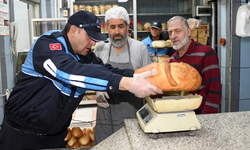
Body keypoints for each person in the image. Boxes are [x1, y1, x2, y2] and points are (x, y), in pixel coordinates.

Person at [0, 11, 163, 150]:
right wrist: (128, 84)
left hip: (55, 138)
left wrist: (138, 76)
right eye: (90, 37)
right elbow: (68, 72)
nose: (93, 43)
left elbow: (106, 70)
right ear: (73, 31)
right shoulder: (47, 45)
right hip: (20, 136)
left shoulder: (84, 56)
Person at [93, 6, 152, 145]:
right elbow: (93, 74)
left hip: (133, 113)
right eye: (112, 27)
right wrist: (98, 89)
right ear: (106, 28)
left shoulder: (139, 48)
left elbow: (149, 81)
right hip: (105, 115)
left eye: (121, 26)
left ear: (127, 26)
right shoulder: (100, 48)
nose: (117, 32)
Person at [167, 16, 221, 114]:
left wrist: (207, 119)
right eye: (170, 32)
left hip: (201, 116)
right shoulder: (173, 59)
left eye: (177, 31)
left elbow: (214, 91)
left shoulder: (206, 53)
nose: (173, 36)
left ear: (188, 32)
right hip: (180, 115)